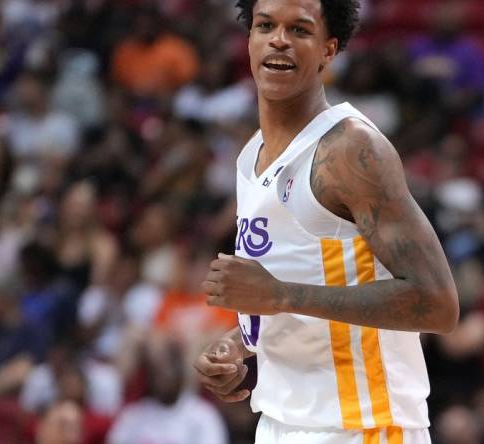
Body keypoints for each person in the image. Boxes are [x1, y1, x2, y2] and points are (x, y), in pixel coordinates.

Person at [194, 1, 459, 444]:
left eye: (299, 29)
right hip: (281, 421)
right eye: (265, 26)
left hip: (363, 425)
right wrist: (239, 344)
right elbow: (295, 288)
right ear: (249, 40)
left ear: (328, 50)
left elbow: (438, 304)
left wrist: (278, 295)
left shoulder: (351, 150)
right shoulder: (253, 154)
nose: (278, 38)